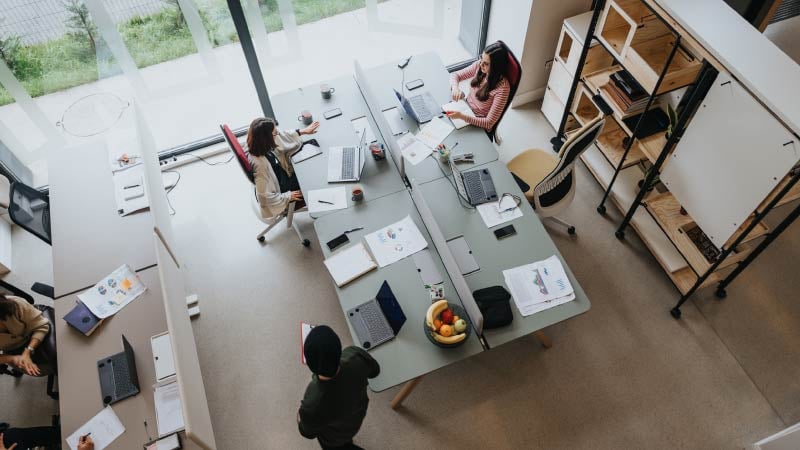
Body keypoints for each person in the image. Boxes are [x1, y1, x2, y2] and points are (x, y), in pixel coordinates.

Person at [298, 326, 380, 450]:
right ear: (340, 349)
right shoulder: (355, 355)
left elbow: (307, 432)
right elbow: (375, 371)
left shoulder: (313, 403)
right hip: (357, 418)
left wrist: (299, 416)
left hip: (333, 440)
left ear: (310, 365)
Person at [246, 117, 320, 218]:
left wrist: (302, 131)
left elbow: (281, 135)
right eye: (275, 133)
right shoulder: (260, 165)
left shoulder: (258, 143)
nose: (278, 134)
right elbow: (263, 198)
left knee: (311, 154)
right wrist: (287, 196)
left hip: (281, 175)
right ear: (266, 138)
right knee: (315, 177)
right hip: (282, 190)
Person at [445, 41, 511, 132]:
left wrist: (462, 117)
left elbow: (489, 123)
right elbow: (455, 75)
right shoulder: (480, 65)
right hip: (465, 108)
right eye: (481, 59)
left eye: (486, 63)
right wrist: (455, 88)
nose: (481, 65)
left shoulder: (503, 88)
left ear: (496, 67)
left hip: (478, 122)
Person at [0, 294, 51, 377]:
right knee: (41, 370)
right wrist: (13, 358)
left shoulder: (14, 304)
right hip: (12, 350)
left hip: (32, 328)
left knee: (59, 353)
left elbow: (42, 326)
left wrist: (27, 351)